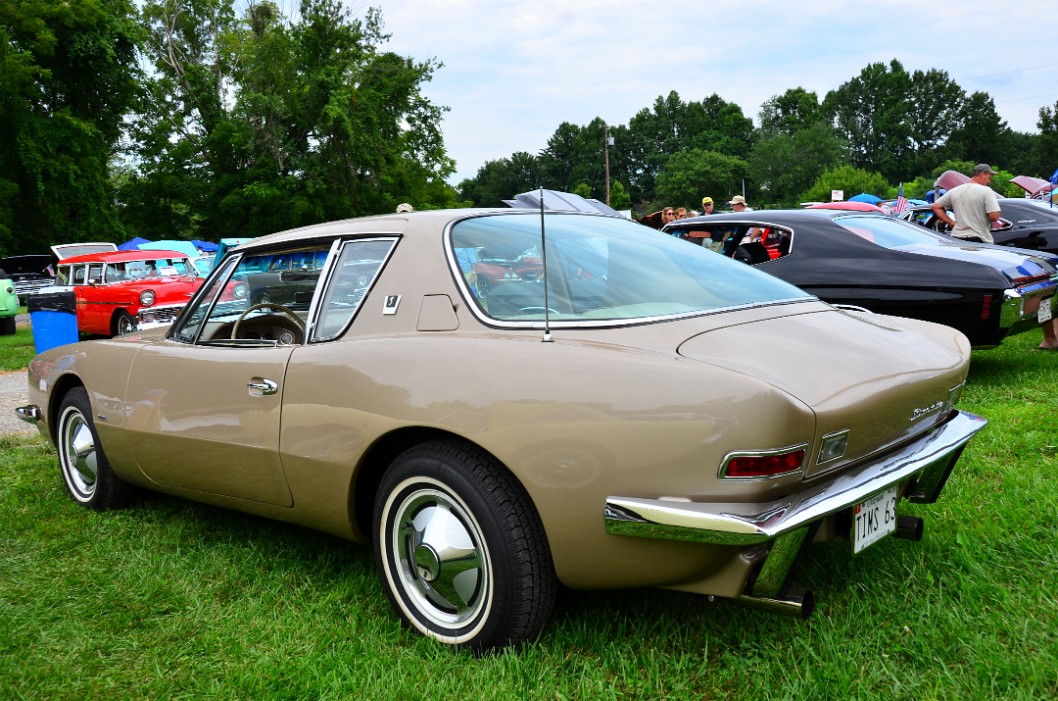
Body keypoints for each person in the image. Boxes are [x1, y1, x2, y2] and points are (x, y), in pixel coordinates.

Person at [930, 164, 1001, 244]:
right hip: (978, 238)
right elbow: (994, 217)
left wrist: (951, 222)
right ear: (982, 174)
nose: (989, 181)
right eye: (989, 178)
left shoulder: (955, 191)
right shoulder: (986, 191)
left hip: (957, 238)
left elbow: (935, 207)